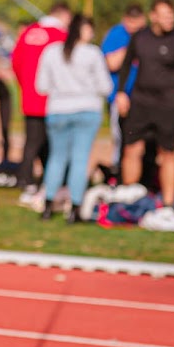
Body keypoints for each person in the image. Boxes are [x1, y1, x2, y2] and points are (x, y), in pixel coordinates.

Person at [114, 0, 174, 208]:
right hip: (140, 103)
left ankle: (168, 204)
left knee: (167, 153)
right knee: (132, 149)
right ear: (153, 16)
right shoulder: (140, 37)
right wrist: (121, 93)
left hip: (168, 105)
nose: (169, 19)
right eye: (164, 15)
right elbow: (126, 66)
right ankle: (130, 199)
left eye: (172, 15)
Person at [35, 14, 112, 223]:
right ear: (83, 30)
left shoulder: (51, 52)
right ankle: (75, 208)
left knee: (56, 158)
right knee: (80, 159)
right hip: (87, 109)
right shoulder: (92, 53)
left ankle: (48, 206)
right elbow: (106, 86)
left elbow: (41, 85)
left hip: (58, 109)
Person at [10, 2, 72, 191]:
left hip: (30, 95)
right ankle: (29, 178)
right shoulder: (61, 36)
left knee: (33, 140)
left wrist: (25, 86)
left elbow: (16, 61)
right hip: (52, 98)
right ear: (63, 15)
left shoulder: (29, 32)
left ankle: (31, 177)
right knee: (51, 141)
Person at [100, 4, 147, 158]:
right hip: (120, 96)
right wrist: (132, 46)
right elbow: (111, 64)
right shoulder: (117, 34)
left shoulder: (149, 35)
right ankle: (118, 171)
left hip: (146, 96)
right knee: (120, 138)